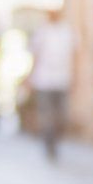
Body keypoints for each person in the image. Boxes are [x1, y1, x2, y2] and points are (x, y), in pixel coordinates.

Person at [28, 8, 76, 162]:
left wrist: (76, 77)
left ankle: (56, 139)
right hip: (44, 80)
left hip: (63, 80)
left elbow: (75, 55)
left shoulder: (67, 32)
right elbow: (35, 55)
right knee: (47, 115)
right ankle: (49, 144)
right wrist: (30, 77)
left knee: (62, 115)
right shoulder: (42, 32)